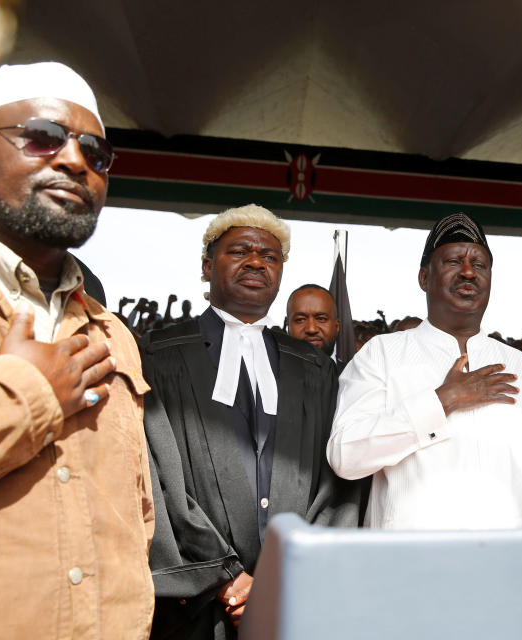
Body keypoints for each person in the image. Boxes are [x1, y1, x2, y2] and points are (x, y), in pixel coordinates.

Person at [0, 62, 154, 637]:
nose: (75, 161)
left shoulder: (110, 333)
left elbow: (135, 520)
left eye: (96, 153)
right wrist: (24, 397)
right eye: (42, 138)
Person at [142, 205, 361, 639]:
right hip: (198, 602)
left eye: (270, 256)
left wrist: (289, 575)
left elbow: (339, 480)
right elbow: (154, 476)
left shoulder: (314, 368)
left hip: (293, 598)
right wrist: (226, 577)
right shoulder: (160, 355)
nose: (257, 262)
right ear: (207, 266)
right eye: (239, 251)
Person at [328, 213, 522, 530]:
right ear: (424, 278)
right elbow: (346, 456)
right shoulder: (382, 354)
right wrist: (442, 401)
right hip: (408, 568)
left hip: (507, 569)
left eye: (479, 265)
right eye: (453, 262)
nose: (468, 272)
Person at [285, 283, 340, 358]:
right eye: (300, 320)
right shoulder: (270, 368)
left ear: (336, 326)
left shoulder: (352, 369)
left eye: (321, 319)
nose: (311, 329)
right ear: (288, 326)